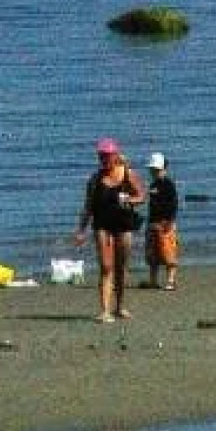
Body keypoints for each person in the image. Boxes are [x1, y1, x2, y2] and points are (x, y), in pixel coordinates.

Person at [73, 137, 144, 322]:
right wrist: (81, 231)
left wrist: (129, 200)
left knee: (121, 267)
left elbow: (141, 196)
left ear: (115, 155)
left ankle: (120, 307)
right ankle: (105, 310)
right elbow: (88, 207)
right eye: (100, 155)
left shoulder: (127, 174)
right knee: (106, 267)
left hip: (123, 225)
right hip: (102, 226)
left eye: (106, 155)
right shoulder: (95, 179)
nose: (103, 159)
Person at [142, 151, 180, 291]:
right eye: (152, 170)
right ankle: (153, 280)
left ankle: (170, 281)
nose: (154, 172)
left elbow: (174, 204)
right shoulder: (153, 185)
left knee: (169, 253)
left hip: (165, 224)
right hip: (153, 223)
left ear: (164, 168)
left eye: (157, 170)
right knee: (152, 255)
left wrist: (169, 221)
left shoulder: (169, 184)